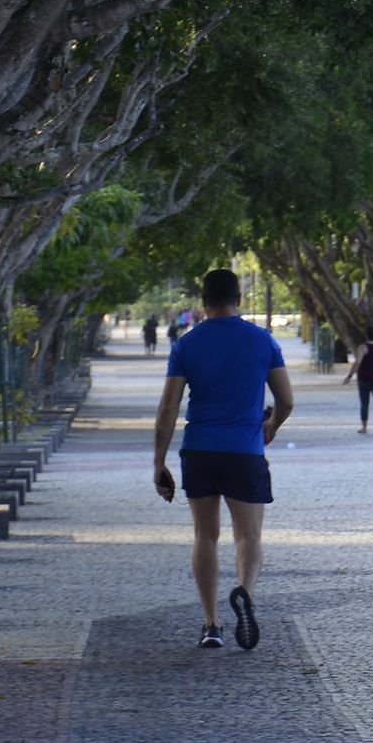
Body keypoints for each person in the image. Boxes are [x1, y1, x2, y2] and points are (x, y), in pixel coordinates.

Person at [153, 270, 293, 649]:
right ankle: (244, 591)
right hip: (245, 451)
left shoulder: (187, 344)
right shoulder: (263, 341)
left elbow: (168, 406)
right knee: (249, 536)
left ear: (203, 302)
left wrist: (159, 462)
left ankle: (211, 624)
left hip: (199, 449)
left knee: (205, 535)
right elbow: (286, 401)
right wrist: (272, 426)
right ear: (239, 299)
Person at [343, 326, 373, 434]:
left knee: (364, 403)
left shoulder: (362, 348)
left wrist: (349, 376)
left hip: (364, 378)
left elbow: (357, 363)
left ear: (366, 336)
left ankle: (364, 427)